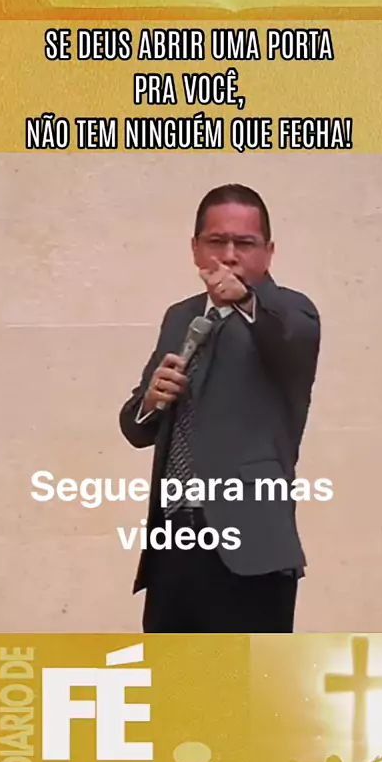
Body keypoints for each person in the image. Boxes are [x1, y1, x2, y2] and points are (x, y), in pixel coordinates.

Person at [119, 183, 321, 632]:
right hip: (174, 539)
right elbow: (135, 427)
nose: (229, 256)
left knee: (246, 676)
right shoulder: (180, 316)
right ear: (195, 249)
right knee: (174, 674)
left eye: (244, 243)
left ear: (268, 252)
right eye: (216, 241)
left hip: (250, 546)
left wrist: (246, 300)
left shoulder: (290, 313)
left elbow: (292, 340)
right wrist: (150, 401)